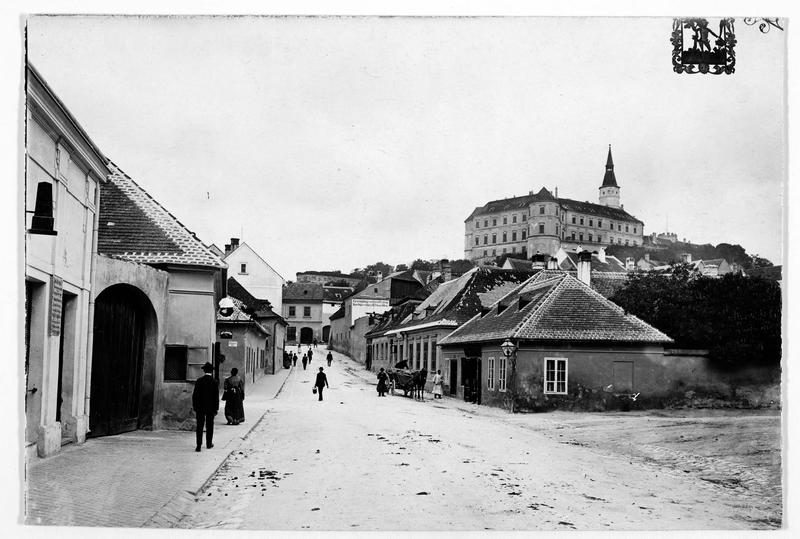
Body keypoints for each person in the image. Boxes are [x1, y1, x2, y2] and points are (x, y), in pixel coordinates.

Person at [192, 362, 219, 452]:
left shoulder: (199, 381)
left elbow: (195, 395)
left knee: (199, 426)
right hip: (210, 408)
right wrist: (216, 408)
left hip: (200, 407)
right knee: (209, 426)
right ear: (212, 371)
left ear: (204, 371)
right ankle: (208, 444)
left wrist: (195, 406)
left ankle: (198, 445)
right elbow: (216, 397)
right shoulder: (214, 382)